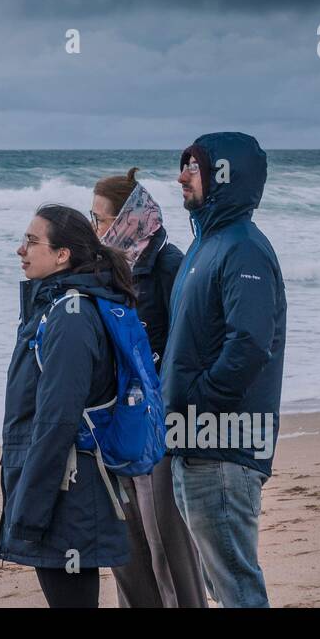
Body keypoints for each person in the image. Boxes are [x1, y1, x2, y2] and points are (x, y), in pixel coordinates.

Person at [161, 132, 286, 607]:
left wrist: (197, 399)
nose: (181, 177)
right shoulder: (205, 245)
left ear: (223, 175)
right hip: (193, 440)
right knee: (221, 583)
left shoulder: (244, 249)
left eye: (193, 168)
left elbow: (251, 344)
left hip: (223, 446)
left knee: (235, 583)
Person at [0, 205, 133, 607]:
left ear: (62, 255)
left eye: (32, 242)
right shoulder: (54, 309)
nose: (21, 250)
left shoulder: (69, 316)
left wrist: (29, 511)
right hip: (58, 482)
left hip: (66, 487)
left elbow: (57, 419)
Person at [90, 169, 206, 608]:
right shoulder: (106, 272)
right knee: (126, 552)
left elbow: (192, 346)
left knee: (168, 551)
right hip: (116, 424)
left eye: (100, 219)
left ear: (126, 220)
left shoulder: (170, 265)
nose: (94, 229)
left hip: (161, 429)